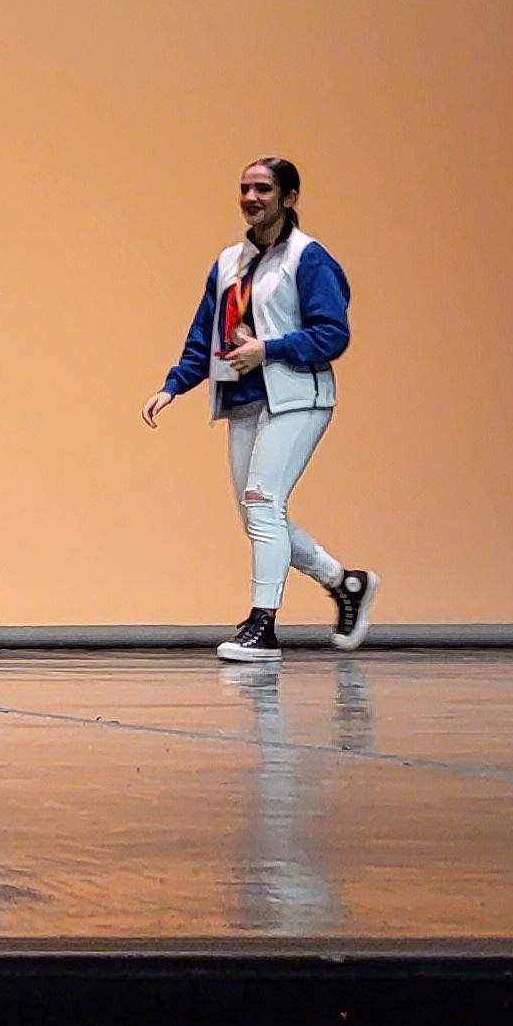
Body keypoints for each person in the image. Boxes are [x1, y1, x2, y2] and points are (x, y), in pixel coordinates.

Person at [145, 155, 377, 662]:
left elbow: (332, 334)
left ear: (290, 198)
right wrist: (174, 385)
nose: (252, 198)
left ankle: (262, 623)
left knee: (262, 504)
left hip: (297, 396)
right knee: (258, 514)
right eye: (245, 188)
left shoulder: (309, 258)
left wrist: (268, 349)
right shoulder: (228, 262)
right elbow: (206, 331)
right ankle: (345, 583)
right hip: (244, 398)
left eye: (264, 190)